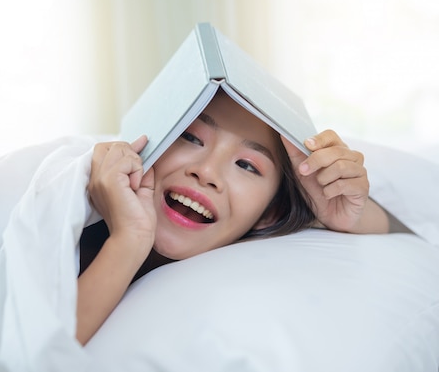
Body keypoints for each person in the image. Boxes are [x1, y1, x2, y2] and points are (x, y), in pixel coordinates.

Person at [75, 91, 408, 345]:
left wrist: (348, 215)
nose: (206, 172)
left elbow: (414, 229)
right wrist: (128, 239)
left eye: (247, 165)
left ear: (269, 214)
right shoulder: (68, 211)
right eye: (192, 137)